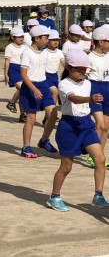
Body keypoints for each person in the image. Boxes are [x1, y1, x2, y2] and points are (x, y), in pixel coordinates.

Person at [47, 49, 109, 211]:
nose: (82, 71)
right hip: (69, 127)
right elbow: (73, 98)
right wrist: (90, 99)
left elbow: (90, 103)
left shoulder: (88, 83)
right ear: (68, 67)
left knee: (100, 159)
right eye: (78, 68)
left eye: (84, 68)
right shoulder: (63, 84)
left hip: (86, 125)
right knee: (66, 167)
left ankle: (98, 195)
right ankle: (54, 196)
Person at [19, 25, 58, 158]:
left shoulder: (43, 52)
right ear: (37, 38)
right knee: (31, 118)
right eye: (46, 38)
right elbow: (23, 75)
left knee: (53, 113)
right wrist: (34, 89)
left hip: (43, 85)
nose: (47, 40)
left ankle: (44, 140)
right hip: (30, 86)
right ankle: (26, 147)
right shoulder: (27, 53)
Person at [86, 27, 109, 168]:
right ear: (101, 42)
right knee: (99, 124)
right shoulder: (89, 57)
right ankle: (93, 155)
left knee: (106, 127)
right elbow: (83, 76)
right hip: (96, 90)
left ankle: (100, 156)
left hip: (108, 88)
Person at [5, 27, 27, 122]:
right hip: (13, 69)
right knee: (22, 88)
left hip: (22, 68)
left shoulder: (25, 47)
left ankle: (22, 115)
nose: (21, 38)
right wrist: (6, 74)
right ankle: (11, 102)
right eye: (18, 37)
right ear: (12, 37)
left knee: (22, 92)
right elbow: (7, 62)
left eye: (22, 36)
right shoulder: (9, 47)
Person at [43, 30, 65, 108]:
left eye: (57, 40)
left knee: (54, 94)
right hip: (46, 76)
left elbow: (64, 63)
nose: (55, 42)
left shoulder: (59, 52)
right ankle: (52, 112)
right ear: (47, 41)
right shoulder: (44, 52)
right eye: (53, 40)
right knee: (55, 91)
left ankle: (48, 115)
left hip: (55, 76)